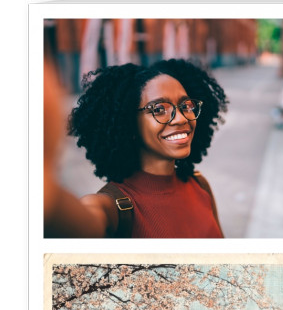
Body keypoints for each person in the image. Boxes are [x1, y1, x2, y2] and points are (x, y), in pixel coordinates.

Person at [45, 58, 227, 238]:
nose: (181, 118)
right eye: (159, 109)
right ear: (130, 123)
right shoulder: (111, 208)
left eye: (186, 106)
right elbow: (73, 222)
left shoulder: (200, 185)